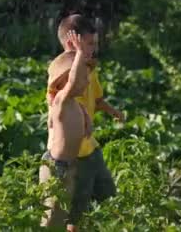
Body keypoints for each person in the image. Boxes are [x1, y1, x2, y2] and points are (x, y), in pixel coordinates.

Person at [44, 14, 122, 228]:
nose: (93, 50)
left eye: (95, 44)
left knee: (108, 197)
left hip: (91, 150)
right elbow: (66, 92)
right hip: (73, 159)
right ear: (73, 43)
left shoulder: (87, 69)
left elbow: (94, 98)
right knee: (73, 212)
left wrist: (111, 110)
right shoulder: (63, 75)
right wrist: (78, 54)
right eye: (89, 44)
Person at [40, 31, 91, 231]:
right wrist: (78, 52)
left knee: (65, 214)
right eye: (83, 78)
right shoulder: (60, 100)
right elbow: (71, 81)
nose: (86, 82)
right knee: (51, 217)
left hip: (69, 166)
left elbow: (72, 78)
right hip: (56, 167)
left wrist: (86, 118)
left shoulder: (74, 104)